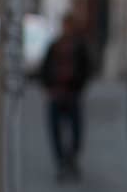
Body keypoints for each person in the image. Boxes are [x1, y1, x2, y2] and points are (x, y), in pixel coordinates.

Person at [40, 12, 93, 181]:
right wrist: (49, 87)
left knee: (76, 133)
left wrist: (77, 86)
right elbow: (45, 68)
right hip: (56, 95)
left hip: (72, 95)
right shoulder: (55, 46)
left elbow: (86, 69)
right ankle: (61, 162)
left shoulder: (79, 46)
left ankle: (71, 160)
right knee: (56, 132)